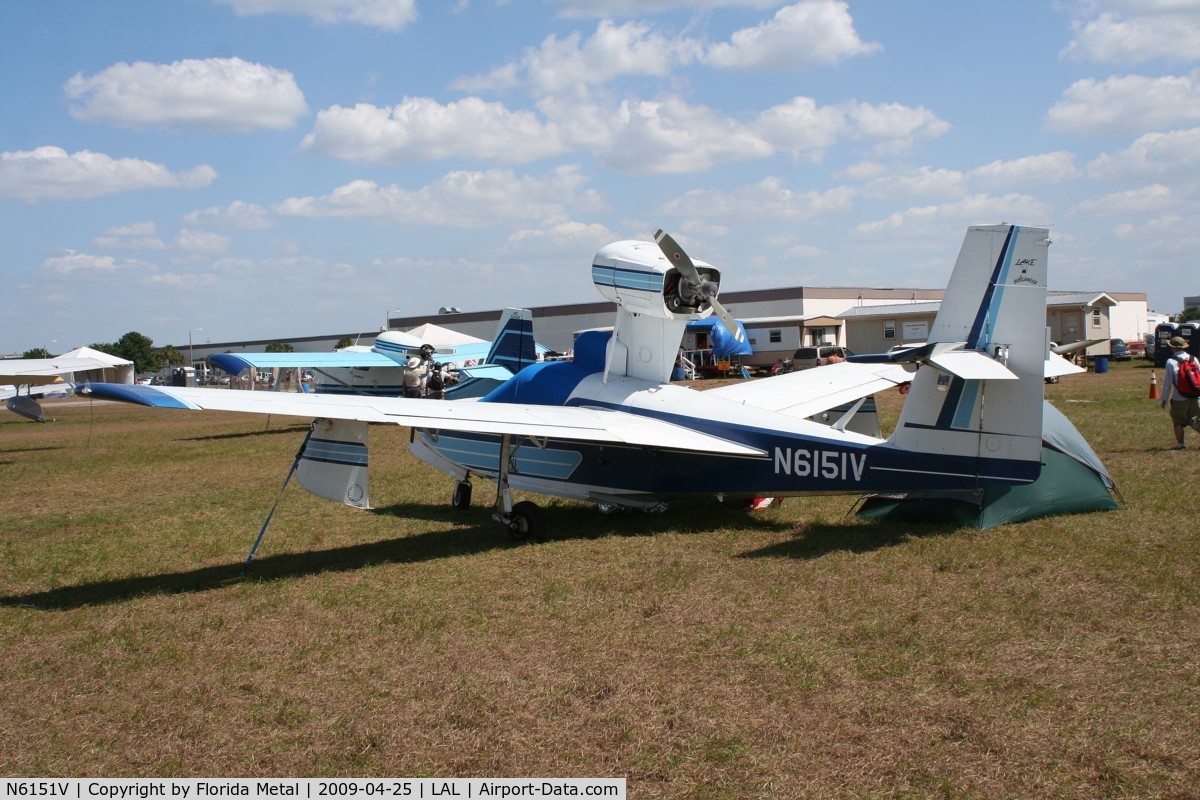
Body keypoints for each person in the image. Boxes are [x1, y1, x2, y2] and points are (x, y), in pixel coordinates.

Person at [1160, 336, 1200, 449]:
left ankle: (1180, 444)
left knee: (1177, 421)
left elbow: (1168, 383)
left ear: (1172, 347)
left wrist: (1164, 399)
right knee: (1194, 420)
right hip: (1195, 394)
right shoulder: (1193, 359)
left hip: (1179, 396)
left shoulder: (1171, 362)